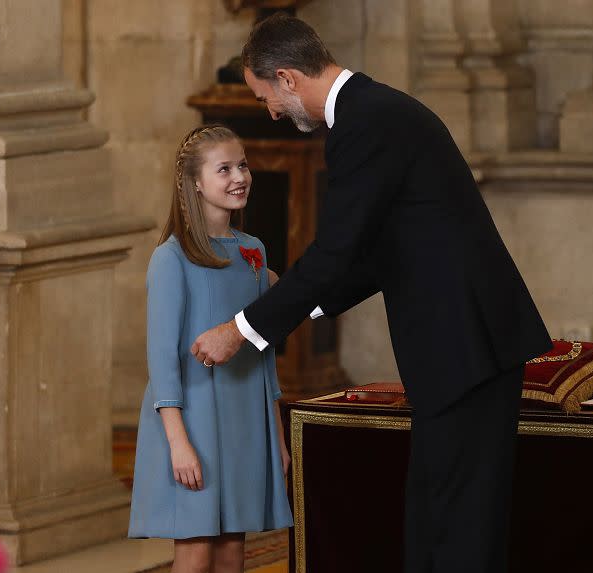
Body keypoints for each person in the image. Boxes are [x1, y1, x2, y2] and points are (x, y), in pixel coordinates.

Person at [189, 14, 552, 573]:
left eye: (266, 97)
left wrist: (240, 330)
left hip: (464, 348)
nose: (270, 112)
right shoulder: (373, 111)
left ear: (288, 78)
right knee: (441, 518)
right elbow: (382, 251)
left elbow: (337, 252)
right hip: (462, 348)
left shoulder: (365, 123)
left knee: (459, 530)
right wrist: (302, 297)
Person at [128, 124, 293, 573]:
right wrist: (179, 444)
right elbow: (162, 360)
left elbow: (263, 352)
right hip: (192, 421)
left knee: (231, 551)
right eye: (224, 169)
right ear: (196, 183)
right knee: (197, 548)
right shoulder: (172, 257)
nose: (240, 176)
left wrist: (275, 437)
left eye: (243, 165)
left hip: (243, 417)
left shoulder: (252, 251)